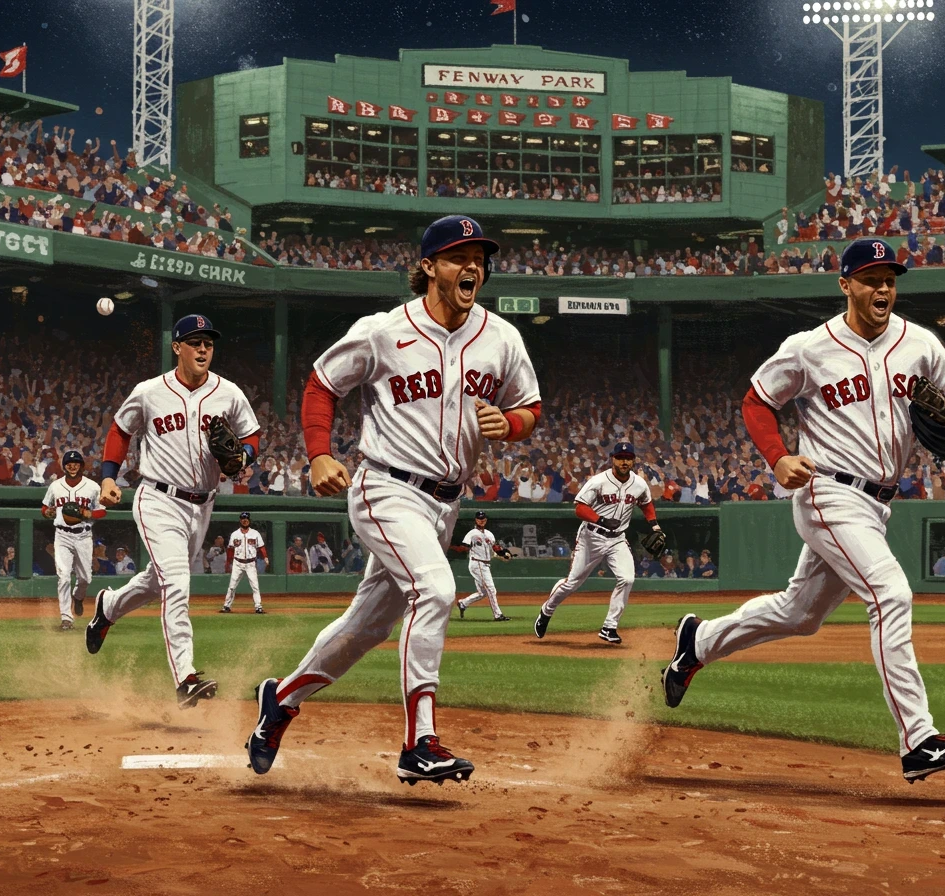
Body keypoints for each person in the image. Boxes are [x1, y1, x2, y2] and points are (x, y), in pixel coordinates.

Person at [662, 238, 945, 784]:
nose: (882, 288)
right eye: (870, 278)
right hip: (827, 491)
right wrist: (779, 457)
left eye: (890, 279)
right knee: (891, 594)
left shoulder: (921, 345)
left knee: (800, 614)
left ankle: (698, 642)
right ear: (846, 285)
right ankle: (918, 739)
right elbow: (757, 400)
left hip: (879, 503)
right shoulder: (811, 347)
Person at [246, 214, 541, 785]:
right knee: (435, 588)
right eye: (459, 255)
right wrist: (318, 454)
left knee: (365, 630)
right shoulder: (384, 330)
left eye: (479, 256)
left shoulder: (502, 338)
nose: (472, 265)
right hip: (385, 487)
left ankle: (278, 702)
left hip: (444, 504)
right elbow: (321, 383)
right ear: (429, 267)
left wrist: (512, 421)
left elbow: (531, 407)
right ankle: (419, 741)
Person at [85, 313, 260, 709]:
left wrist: (245, 454)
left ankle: (108, 607)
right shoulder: (150, 391)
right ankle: (185, 677)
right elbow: (120, 430)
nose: (203, 348)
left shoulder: (228, 392)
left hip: (203, 505)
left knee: (157, 579)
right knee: (178, 583)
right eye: (194, 341)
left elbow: (251, 434)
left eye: (208, 343)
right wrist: (109, 477)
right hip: (158, 498)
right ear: (177, 347)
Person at [535, 442, 663, 645]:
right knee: (572, 583)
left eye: (628, 457)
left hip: (618, 539)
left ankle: (609, 627)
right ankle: (547, 610)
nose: (624, 461)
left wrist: (654, 526)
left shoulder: (639, 484)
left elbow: (646, 503)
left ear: (633, 460)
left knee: (627, 579)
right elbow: (579, 508)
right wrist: (600, 520)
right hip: (591, 537)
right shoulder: (599, 481)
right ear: (612, 459)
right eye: (620, 457)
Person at [40, 450, 105, 631]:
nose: (73, 466)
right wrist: (48, 513)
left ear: (81, 466)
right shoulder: (56, 486)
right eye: (69, 464)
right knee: (63, 576)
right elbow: (44, 507)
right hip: (62, 535)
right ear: (64, 466)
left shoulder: (92, 486)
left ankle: (78, 596)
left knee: (85, 578)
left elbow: (102, 510)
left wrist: (89, 513)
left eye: (76, 463)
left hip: (83, 535)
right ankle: (66, 617)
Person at [453, 510, 512, 621]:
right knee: (491, 589)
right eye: (480, 518)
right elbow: (464, 547)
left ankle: (463, 603)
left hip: (485, 564)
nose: (482, 520)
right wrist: (453, 547)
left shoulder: (489, 534)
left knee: (483, 593)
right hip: (477, 563)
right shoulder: (472, 533)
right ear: (476, 520)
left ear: (486, 520)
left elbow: (494, 548)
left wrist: (503, 553)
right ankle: (498, 615)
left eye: (483, 518)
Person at [221, 512, 268, 613]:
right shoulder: (235, 534)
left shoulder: (255, 533)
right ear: (240, 520)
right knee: (232, 586)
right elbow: (230, 549)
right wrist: (228, 562)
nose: (245, 520)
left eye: (246, 519)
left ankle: (258, 606)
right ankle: (226, 606)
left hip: (250, 563)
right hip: (237, 563)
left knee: (255, 586)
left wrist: (265, 557)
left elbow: (261, 547)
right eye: (243, 519)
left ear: (249, 520)